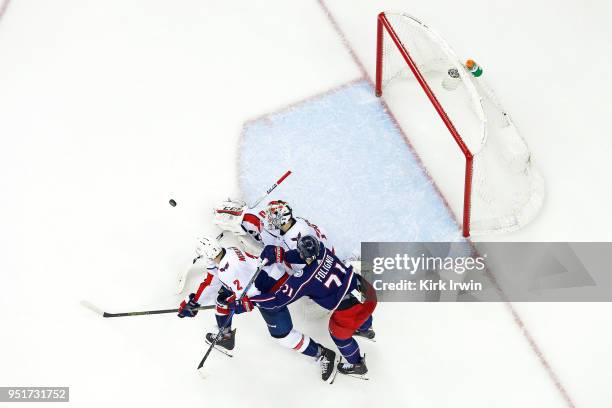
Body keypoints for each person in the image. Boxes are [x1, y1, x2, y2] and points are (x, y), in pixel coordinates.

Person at [177, 236, 338, 382]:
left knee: (282, 335)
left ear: (208, 256)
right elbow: (214, 279)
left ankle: (323, 354)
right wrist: (195, 301)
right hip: (274, 277)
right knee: (223, 300)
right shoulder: (229, 251)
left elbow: (251, 298)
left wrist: (238, 304)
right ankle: (225, 337)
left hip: (272, 293)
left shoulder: (227, 271)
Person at [230, 235, 377, 377]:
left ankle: (357, 365)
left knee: (340, 337)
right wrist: (282, 255)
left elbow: (278, 300)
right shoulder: (323, 250)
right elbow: (306, 256)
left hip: (347, 313)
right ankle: (366, 328)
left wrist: (253, 301)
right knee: (362, 311)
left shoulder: (304, 280)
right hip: (363, 292)